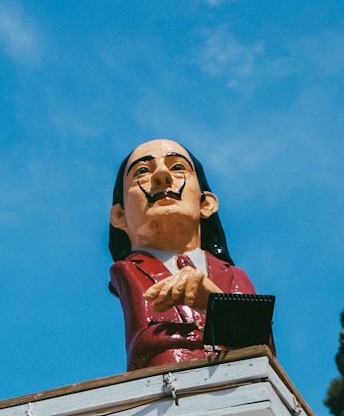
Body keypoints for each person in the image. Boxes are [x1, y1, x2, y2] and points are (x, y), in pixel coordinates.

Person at [108, 138, 266, 372]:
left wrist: (212, 302)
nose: (162, 176)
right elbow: (148, 344)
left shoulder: (234, 276)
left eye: (178, 167)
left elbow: (262, 347)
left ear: (207, 203)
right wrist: (221, 328)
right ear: (120, 216)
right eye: (142, 171)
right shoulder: (128, 271)